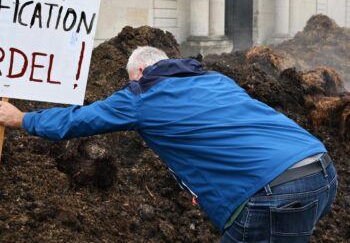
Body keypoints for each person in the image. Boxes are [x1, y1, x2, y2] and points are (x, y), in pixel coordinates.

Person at [0, 46, 337, 242]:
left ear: (142, 70)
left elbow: (79, 120)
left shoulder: (140, 95)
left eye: (131, 78)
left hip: (273, 195)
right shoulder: (214, 79)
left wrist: (21, 119)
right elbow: (222, 131)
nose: (131, 84)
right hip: (320, 168)